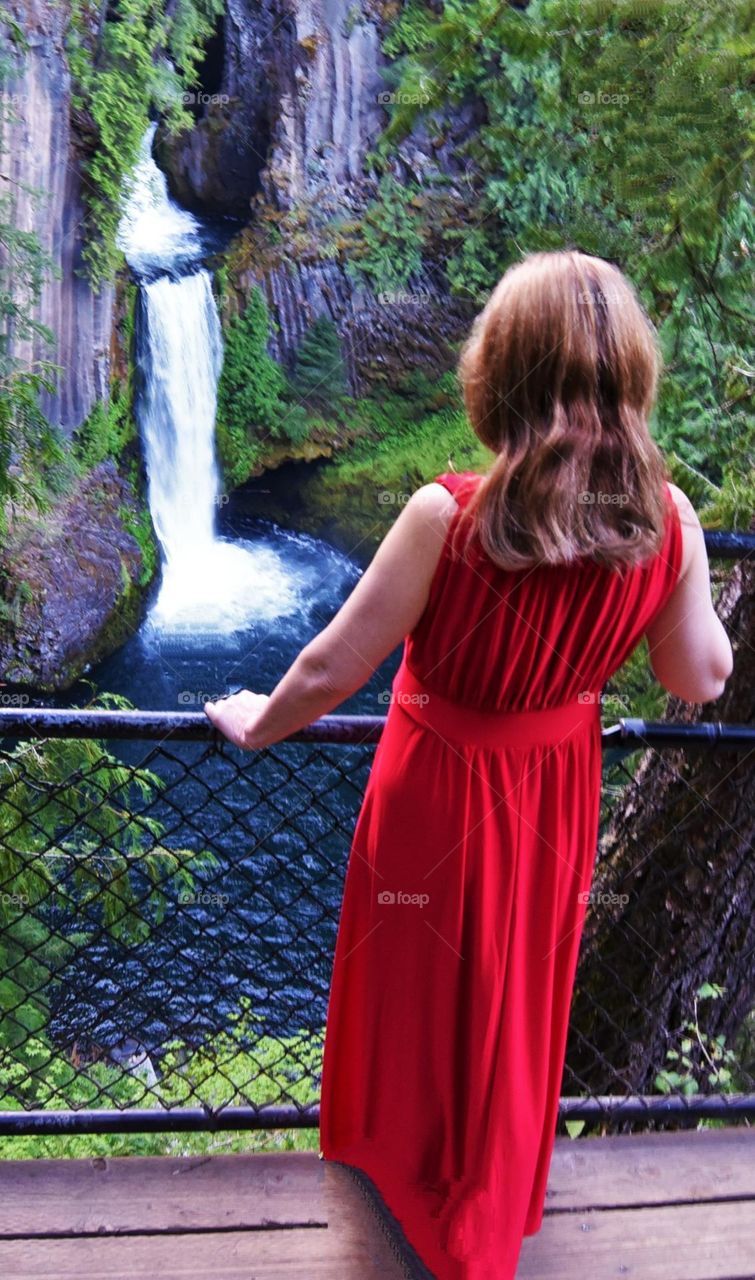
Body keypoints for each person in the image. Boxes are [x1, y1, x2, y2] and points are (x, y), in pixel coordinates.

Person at [204, 249, 734, 1279]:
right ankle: (485, 1196)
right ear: (630, 378)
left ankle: (405, 1195)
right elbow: (697, 675)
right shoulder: (666, 523)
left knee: (419, 988)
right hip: (553, 790)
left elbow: (334, 666)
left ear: (501, 375)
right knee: (512, 992)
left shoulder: (447, 516)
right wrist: (689, 565)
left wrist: (258, 722)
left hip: (435, 788)